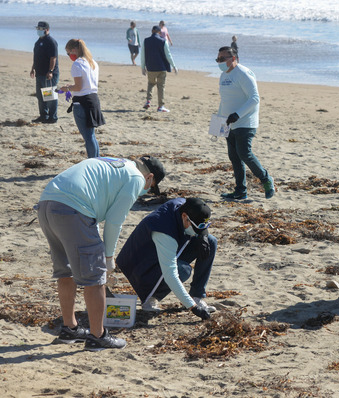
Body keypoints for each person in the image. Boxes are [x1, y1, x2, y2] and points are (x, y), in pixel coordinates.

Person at [37, 156, 166, 351]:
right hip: (74, 208)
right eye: (150, 187)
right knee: (96, 278)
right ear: (149, 177)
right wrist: (108, 257)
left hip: (47, 204)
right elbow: (115, 222)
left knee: (66, 271)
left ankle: (70, 329)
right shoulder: (136, 178)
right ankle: (98, 336)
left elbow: (95, 208)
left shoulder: (117, 164)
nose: (146, 191)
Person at [116, 197, 217, 320]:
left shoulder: (183, 205)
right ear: (185, 216)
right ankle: (151, 297)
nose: (198, 230)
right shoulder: (164, 232)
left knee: (210, 242)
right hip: (140, 264)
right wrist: (193, 307)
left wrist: (203, 236)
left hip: (163, 250)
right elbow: (170, 274)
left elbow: (200, 224)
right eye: (196, 227)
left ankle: (197, 296)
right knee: (183, 270)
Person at [215, 46, 275, 200]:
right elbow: (225, 101)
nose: (219, 62)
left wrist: (237, 114)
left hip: (245, 121)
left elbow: (254, 98)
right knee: (234, 157)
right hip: (229, 123)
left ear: (233, 58)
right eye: (218, 59)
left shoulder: (243, 73)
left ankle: (266, 179)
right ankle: (240, 190)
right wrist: (219, 122)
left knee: (244, 153)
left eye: (222, 59)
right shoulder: (223, 75)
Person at [60, 39, 105, 158]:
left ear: (74, 50)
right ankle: (96, 159)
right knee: (91, 135)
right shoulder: (93, 62)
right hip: (94, 100)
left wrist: (67, 88)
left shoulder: (78, 64)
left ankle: (93, 161)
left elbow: (78, 87)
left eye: (68, 53)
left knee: (88, 136)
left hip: (82, 103)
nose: (69, 56)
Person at [141, 25, 177, 112]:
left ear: (152, 31)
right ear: (159, 32)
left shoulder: (146, 41)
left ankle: (148, 101)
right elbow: (168, 55)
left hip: (150, 67)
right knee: (161, 87)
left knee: (150, 84)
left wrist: (143, 67)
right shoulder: (163, 41)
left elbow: (143, 55)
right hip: (161, 67)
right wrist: (174, 66)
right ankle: (160, 106)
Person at [30, 21, 59, 123]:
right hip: (39, 73)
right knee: (40, 96)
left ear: (47, 30)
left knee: (49, 96)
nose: (39, 31)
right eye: (38, 29)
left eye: (41, 29)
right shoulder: (38, 42)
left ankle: (52, 117)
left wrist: (50, 71)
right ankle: (43, 116)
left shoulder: (51, 42)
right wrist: (32, 68)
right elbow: (36, 57)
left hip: (48, 74)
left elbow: (53, 58)